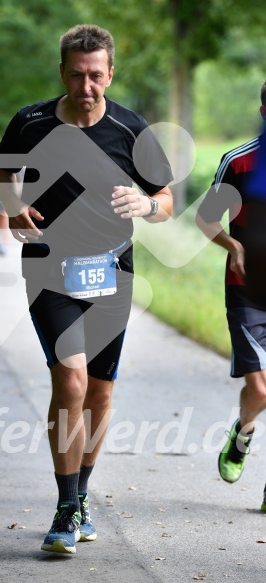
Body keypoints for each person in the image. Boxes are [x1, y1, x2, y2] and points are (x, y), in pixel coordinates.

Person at [0, 24, 173, 554]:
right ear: (62, 72)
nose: (86, 86)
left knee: (99, 390)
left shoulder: (131, 129)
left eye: (96, 76)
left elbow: (163, 199)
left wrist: (147, 206)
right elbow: (0, 176)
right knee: (69, 379)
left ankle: (82, 493)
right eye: (77, 75)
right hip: (49, 268)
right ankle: (66, 507)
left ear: (110, 73)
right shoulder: (31, 123)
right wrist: (12, 207)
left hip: (112, 271)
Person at [196, 81, 266, 512]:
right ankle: (242, 437)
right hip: (247, 290)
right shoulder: (238, 162)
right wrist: (234, 247)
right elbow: (206, 219)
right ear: (262, 109)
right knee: (259, 390)